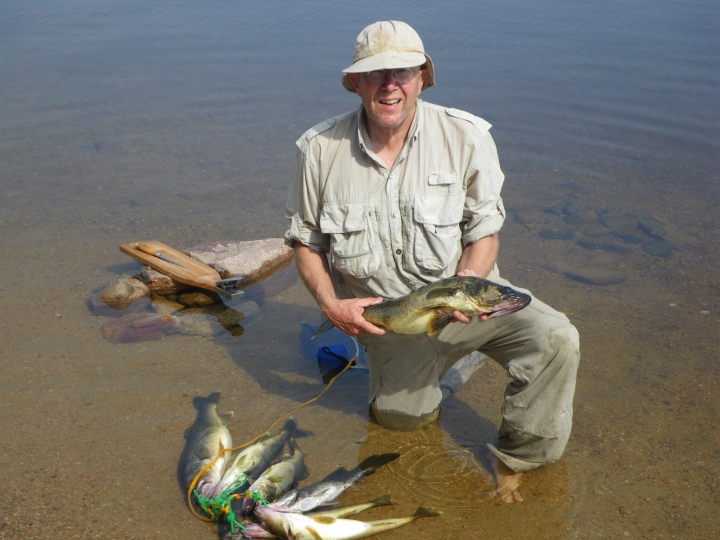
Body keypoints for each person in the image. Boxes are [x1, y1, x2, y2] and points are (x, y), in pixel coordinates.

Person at [284, 20, 580, 503]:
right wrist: (331, 306)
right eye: (375, 73)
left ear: (423, 77)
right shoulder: (318, 149)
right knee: (402, 423)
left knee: (556, 338)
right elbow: (305, 242)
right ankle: (440, 367)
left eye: (403, 71)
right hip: (390, 323)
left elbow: (485, 229)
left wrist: (469, 280)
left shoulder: (467, 135)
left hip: (469, 298)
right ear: (356, 82)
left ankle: (516, 457)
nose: (389, 84)